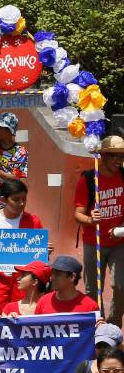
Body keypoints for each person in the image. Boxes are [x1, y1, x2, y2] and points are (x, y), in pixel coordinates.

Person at [0, 178, 46, 313]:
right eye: (16, 199)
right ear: (3, 200)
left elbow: (39, 260)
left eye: (24, 199)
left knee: (21, 316)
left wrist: (45, 250)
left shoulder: (33, 221)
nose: (21, 203)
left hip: (24, 281)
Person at [74, 134, 124, 318]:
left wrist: (120, 229)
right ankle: (97, 326)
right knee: (93, 289)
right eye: (115, 156)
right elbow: (77, 214)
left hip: (119, 242)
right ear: (103, 156)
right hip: (93, 242)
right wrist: (90, 219)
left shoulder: (123, 176)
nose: (119, 161)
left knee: (120, 285)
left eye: (122, 156)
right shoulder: (88, 179)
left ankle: (113, 325)